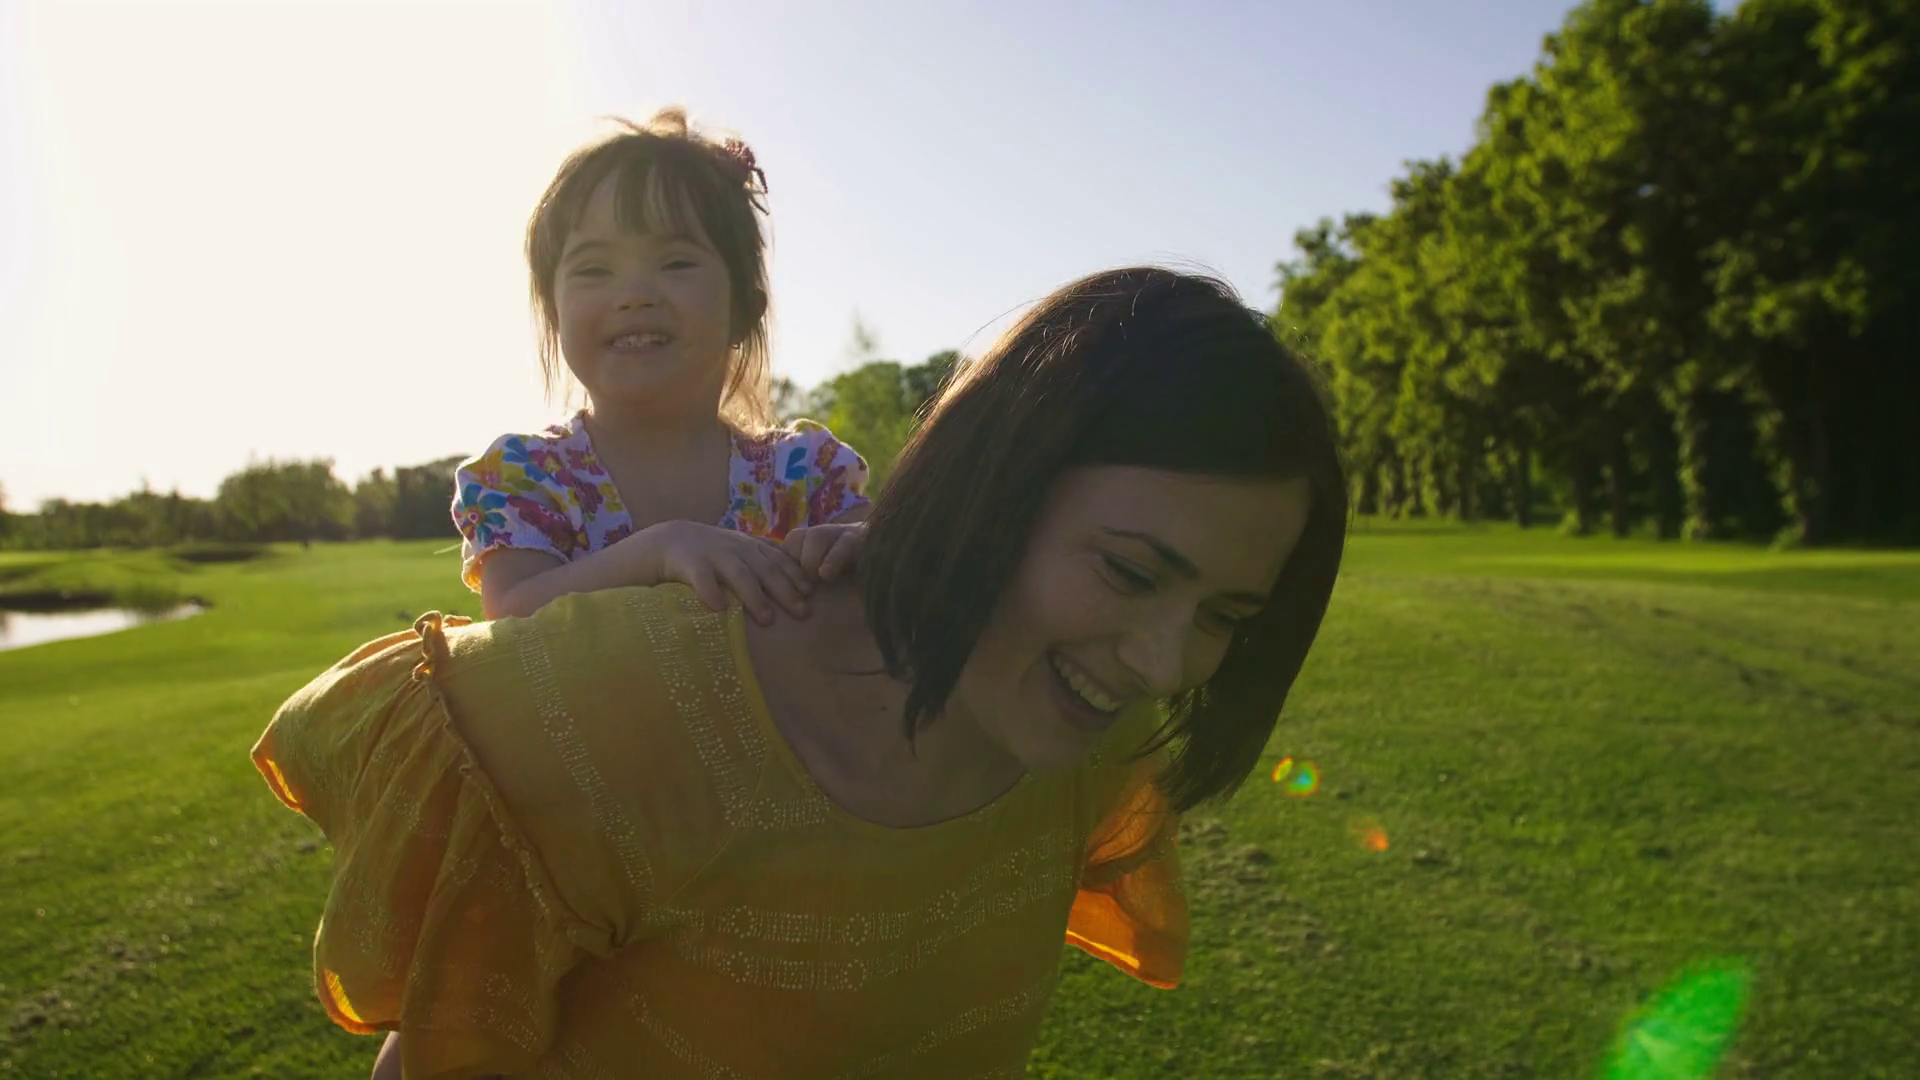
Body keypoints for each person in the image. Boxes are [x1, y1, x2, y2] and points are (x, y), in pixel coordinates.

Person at [255, 266, 1350, 1079]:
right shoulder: (596, 715)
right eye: (1127, 571)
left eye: (1226, 615)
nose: (1165, 664)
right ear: (989, 486)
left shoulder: (1082, 734)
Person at [452, 107, 871, 626]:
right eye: (594, 269)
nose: (633, 295)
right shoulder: (529, 477)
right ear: (555, 315)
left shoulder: (805, 475)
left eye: (675, 262)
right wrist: (659, 552)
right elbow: (511, 615)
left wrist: (861, 547)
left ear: (744, 310)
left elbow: (897, 559)